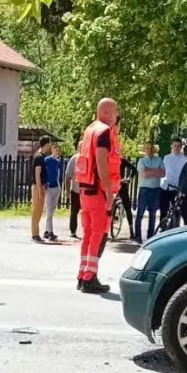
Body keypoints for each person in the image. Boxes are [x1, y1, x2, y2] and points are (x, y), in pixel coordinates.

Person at [75, 98, 121, 294]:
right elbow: (102, 162)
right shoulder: (103, 132)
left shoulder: (90, 130)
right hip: (99, 191)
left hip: (86, 190)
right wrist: (109, 192)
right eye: (116, 112)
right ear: (107, 113)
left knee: (88, 234)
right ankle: (89, 278)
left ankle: (82, 275)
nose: (117, 115)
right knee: (98, 234)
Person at [135, 141, 164, 243]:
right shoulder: (141, 161)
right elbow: (144, 175)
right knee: (140, 213)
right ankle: (137, 236)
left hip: (155, 189)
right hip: (144, 189)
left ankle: (150, 236)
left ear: (154, 149)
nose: (149, 150)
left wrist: (149, 170)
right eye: (147, 148)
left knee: (153, 214)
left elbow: (163, 173)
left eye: (151, 148)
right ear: (144, 150)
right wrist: (156, 171)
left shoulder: (159, 160)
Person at [30, 136, 51, 242]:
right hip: (38, 186)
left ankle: (35, 232)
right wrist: (39, 189)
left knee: (38, 210)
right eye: (49, 144)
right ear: (46, 144)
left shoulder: (41, 156)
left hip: (41, 186)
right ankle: (35, 234)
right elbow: (37, 174)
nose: (50, 147)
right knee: (36, 211)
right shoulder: (39, 157)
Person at [160, 138, 185, 222]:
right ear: (172, 146)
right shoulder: (167, 158)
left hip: (177, 188)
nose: (176, 148)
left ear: (181, 147)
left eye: (178, 146)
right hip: (166, 186)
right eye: (175, 146)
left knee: (177, 211)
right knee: (163, 209)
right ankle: (162, 227)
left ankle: (175, 227)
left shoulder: (184, 159)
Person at [43, 145, 64, 241]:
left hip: (56, 187)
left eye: (58, 150)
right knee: (49, 211)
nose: (57, 152)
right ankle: (50, 232)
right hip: (49, 187)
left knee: (52, 210)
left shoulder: (58, 162)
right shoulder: (47, 160)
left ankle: (47, 231)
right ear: (52, 150)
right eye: (55, 150)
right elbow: (44, 172)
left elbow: (59, 174)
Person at [64, 144, 81, 239]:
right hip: (76, 190)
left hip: (86, 191)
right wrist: (67, 190)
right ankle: (73, 231)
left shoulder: (90, 157)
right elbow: (67, 176)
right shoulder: (74, 159)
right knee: (74, 211)